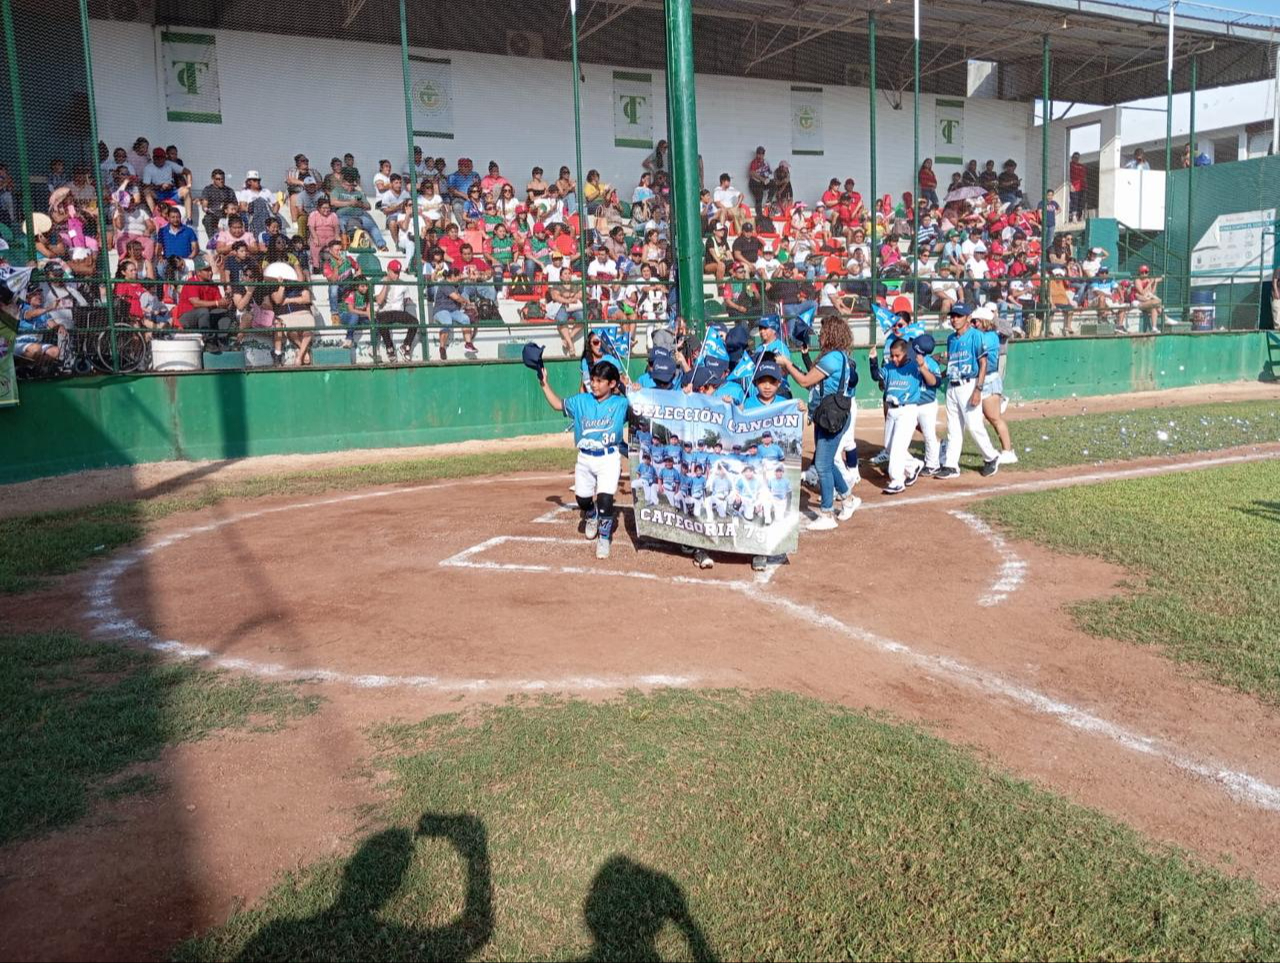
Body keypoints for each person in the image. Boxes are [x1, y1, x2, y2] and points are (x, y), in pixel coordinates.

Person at [538, 358, 630, 560]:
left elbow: (642, 409)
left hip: (609, 458)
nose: (594, 384)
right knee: (583, 499)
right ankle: (591, 515)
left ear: (612, 384)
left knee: (605, 499)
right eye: (593, 380)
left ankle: (604, 538)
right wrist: (544, 383)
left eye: (599, 381)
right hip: (585, 458)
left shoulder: (621, 404)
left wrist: (632, 388)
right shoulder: (581, 401)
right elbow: (557, 404)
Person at [776, 316, 859, 530]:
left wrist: (786, 363)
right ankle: (848, 499)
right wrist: (796, 361)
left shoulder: (832, 358)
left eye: (823, 333)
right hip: (828, 413)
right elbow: (811, 380)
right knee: (827, 461)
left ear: (831, 334)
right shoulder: (838, 357)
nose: (819, 336)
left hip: (831, 415)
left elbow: (804, 381)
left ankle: (827, 513)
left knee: (821, 464)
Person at [936, 304, 1000, 479]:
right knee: (953, 427)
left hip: (969, 384)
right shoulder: (951, 339)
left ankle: (991, 456)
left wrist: (978, 389)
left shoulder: (977, 336)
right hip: (952, 385)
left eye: (958, 316)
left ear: (967, 317)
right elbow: (952, 363)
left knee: (973, 425)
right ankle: (951, 465)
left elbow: (983, 364)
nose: (954, 319)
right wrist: (939, 375)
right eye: (952, 316)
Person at [878, 336, 938, 494]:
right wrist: (873, 363)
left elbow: (933, 382)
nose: (893, 358)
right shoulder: (890, 366)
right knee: (889, 447)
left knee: (898, 447)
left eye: (897, 355)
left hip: (907, 410)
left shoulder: (914, 366)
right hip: (892, 409)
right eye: (892, 355)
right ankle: (913, 465)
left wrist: (923, 367)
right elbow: (878, 379)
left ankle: (897, 480)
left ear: (905, 354)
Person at [972, 305, 1016, 464]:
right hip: (980, 380)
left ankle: (1008, 451)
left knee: (994, 418)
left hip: (989, 380)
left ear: (984, 321)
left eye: (975, 321)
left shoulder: (989, 337)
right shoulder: (983, 335)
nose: (973, 324)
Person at [1133, 264, 1163, 332]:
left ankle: (1154, 328)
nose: (1144, 274)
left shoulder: (1148, 280)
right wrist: (1150, 283)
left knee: (1154, 307)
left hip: (1146, 302)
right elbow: (1142, 293)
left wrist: (1155, 282)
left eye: (1146, 272)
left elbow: (1151, 292)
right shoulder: (1137, 280)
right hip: (1138, 302)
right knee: (1156, 302)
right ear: (1139, 273)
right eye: (1142, 272)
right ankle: (1165, 318)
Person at [747, 147, 772, 220]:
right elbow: (751, 173)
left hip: (762, 182)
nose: (760, 156)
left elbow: (770, 172)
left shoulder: (766, 162)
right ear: (756, 154)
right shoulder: (754, 162)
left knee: (773, 184)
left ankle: (769, 200)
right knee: (759, 196)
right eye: (759, 154)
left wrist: (768, 178)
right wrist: (762, 179)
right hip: (754, 182)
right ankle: (759, 215)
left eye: (762, 154)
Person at [1068, 152, 1086, 221]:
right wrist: (1070, 185)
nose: (1076, 159)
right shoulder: (1069, 165)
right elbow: (1067, 175)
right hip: (1074, 186)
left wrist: (1085, 186)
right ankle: (1073, 216)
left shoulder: (1081, 166)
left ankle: (1080, 216)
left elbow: (1084, 177)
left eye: (1077, 157)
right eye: (1075, 157)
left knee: (1081, 202)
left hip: (1082, 186)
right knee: (1074, 201)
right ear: (1072, 157)